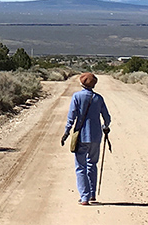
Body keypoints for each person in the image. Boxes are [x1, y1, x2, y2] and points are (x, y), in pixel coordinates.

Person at [60, 72, 111, 205]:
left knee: (80, 166)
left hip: (81, 135)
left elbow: (71, 117)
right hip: (96, 136)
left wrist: (66, 133)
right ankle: (92, 194)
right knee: (92, 164)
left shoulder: (77, 96)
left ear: (82, 83)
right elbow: (107, 117)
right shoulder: (98, 98)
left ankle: (84, 196)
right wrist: (105, 126)